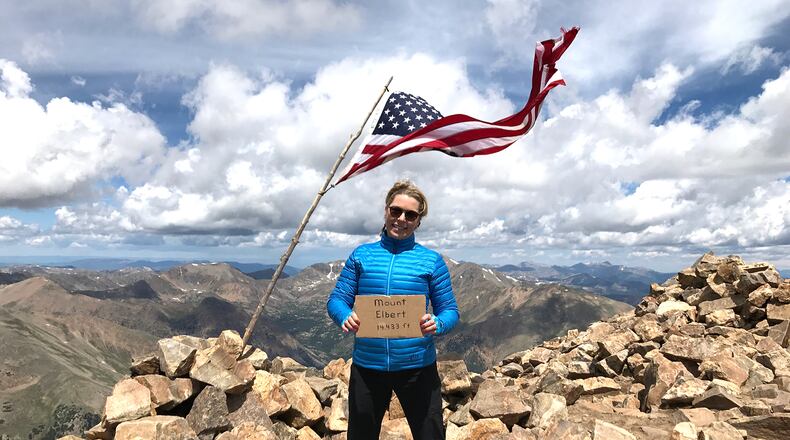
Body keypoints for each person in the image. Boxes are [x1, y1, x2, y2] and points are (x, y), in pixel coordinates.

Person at [326, 180, 460, 440]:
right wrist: (344, 315)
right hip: (368, 367)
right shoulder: (361, 256)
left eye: (410, 215)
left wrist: (439, 323)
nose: (401, 219)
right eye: (396, 211)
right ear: (386, 211)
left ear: (418, 221)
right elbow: (336, 300)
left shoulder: (431, 261)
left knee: (430, 435)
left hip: (418, 367)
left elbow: (450, 311)